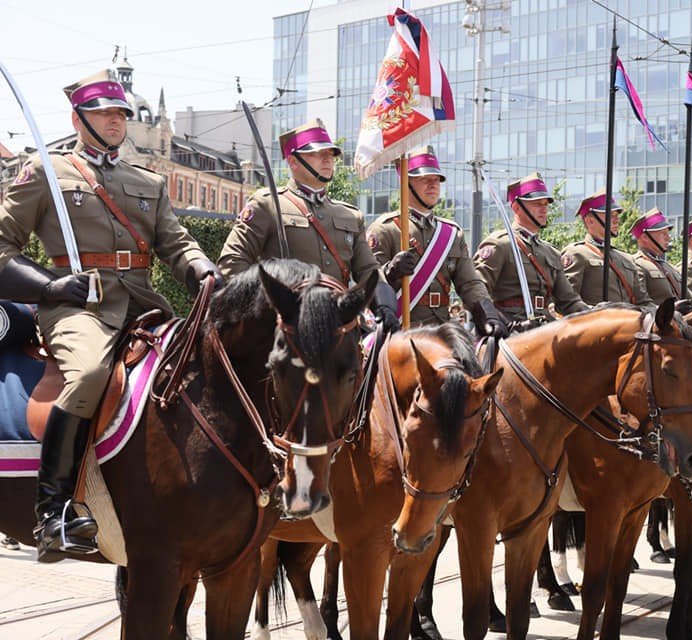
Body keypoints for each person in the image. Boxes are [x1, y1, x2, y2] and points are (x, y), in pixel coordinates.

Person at [0, 70, 223, 561]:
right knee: (89, 374)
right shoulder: (45, 173)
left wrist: (203, 270)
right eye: (104, 112)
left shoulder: (148, 182)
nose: (116, 121)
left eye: (121, 113)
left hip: (144, 305)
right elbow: (2, 248)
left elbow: (177, 243)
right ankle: (54, 509)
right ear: (78, 119)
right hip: (77, 308)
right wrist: (48, 285)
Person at [217, 118, 398, 328]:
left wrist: (385, 306)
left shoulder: (350, 215)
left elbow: (368, 269)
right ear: (293, 162)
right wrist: (270, 306)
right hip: (288, 328)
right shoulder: (267, 204)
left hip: (339, 326)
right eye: (318, 154)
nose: (328, 159)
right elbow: (232, 261)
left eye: (330, 154)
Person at [365, 146, 506, 336]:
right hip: (400, 329)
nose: (433, 184)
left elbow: (470, 283)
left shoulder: (451, 233)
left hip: (442, 329)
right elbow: (368, 282)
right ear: (406, 183)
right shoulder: (385, 229)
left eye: (437, 179)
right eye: (425, 179)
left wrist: (488, 314)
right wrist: (390, 272)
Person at [474, 172, 589, 323]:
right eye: (537, 204)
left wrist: (597, 313)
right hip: (510, 325)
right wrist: (491, 319)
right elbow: (477, 288)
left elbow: (569, 301)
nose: (544, 209)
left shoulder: (550, 252)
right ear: (516, 208)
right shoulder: (500, 244)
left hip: (545, 325)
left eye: (545, 204)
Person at [560, 189, 653, 306]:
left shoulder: (626, 258)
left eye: (616, 215)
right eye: (609, 215)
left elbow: (642, 301)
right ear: (590, 221)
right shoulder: (577, 253)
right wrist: (598, 313)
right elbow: (567, 300)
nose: (616, 220)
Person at [630, 207, 692, 308]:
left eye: (668, 234)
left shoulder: (669, 267)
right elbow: (641, 304)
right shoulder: (636, 264)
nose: (668, 238)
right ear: (645, 237)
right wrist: (670, 310)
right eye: (663, 234)